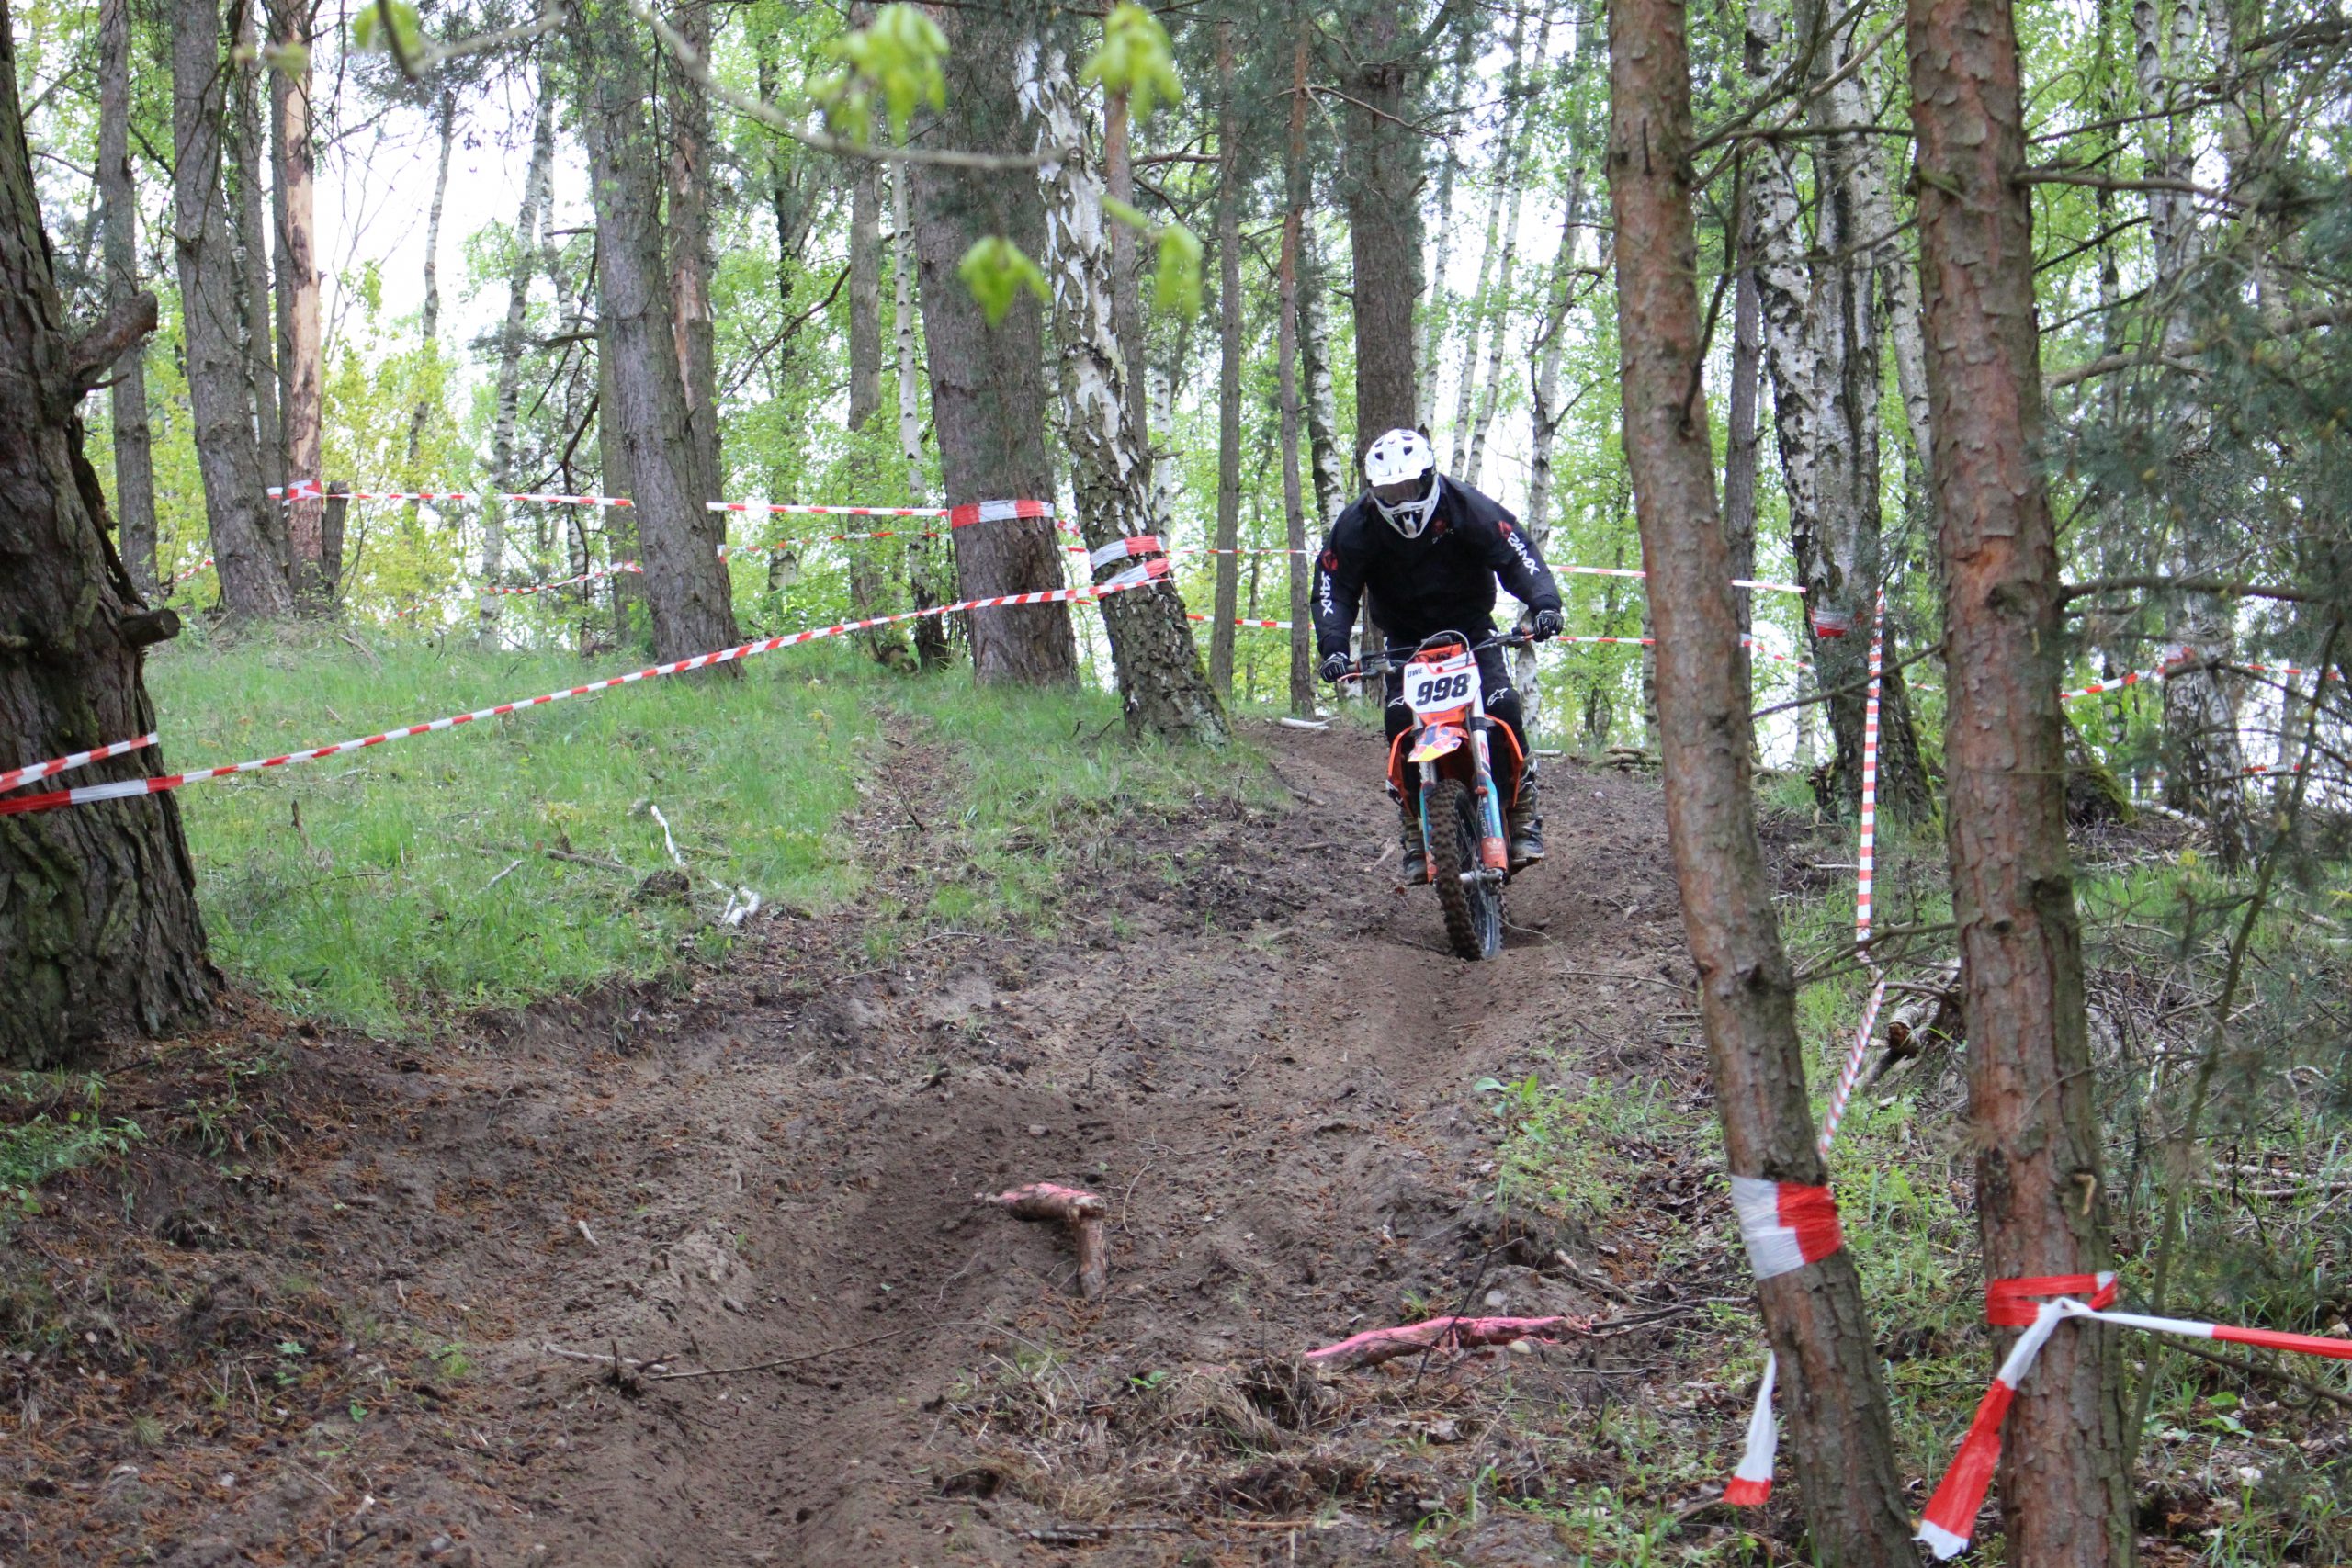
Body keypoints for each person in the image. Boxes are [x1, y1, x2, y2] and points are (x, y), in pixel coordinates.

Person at [1313, 428, 1564, 882]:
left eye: (1410, 486)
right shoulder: (1356, 525)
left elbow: (1515, 550)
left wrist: (1544, 604)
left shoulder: (1464, 505)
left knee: (1504, 706)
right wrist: (1333, 647)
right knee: (1398, 723)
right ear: (1373, 491)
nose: (1402, 500)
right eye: (1391, 491)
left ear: (1429, 477)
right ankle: (1415, 828)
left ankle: (1524, 812)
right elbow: (1334, 585)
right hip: (1406, 642)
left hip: (1471, 632)